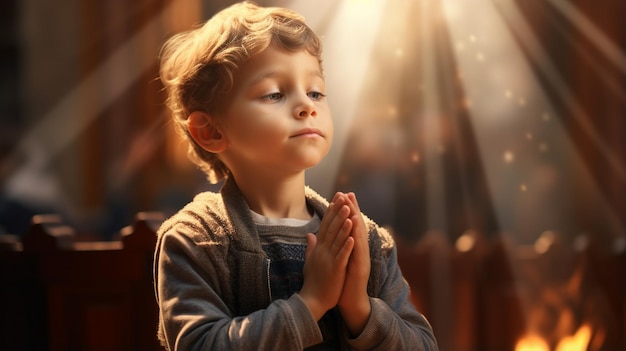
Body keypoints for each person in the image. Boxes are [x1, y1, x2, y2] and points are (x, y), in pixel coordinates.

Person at [154, 2, 438, 350]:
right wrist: (312, 302)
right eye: (275, 93)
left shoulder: (363, 239)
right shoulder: (196, 240)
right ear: (210, 131)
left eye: (316, 91)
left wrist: (359, 309)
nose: (307, 105)